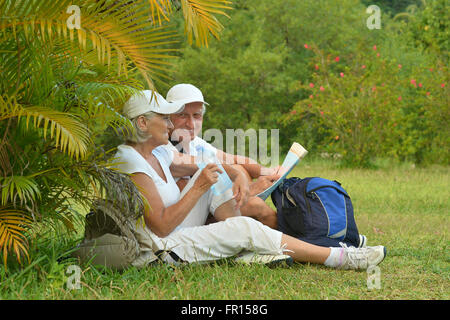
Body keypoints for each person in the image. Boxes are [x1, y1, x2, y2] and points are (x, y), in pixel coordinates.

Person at [112, 89, 387, 269]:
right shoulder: (130, 160)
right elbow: (160, 227)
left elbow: (207, 163)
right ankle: (337, 257)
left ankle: (253, 246)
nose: (172, 124)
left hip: (176, 229)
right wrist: (199, 187)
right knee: (244, 224)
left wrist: (237, 173)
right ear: (142, 124)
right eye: (166, 118)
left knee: (218, 183)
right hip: (157, 248)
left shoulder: (159, 151)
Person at [163, 83, 279, 228]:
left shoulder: (194, 142)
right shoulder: (163, 147)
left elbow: (234, 159)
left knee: (238, 167)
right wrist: (251, 189)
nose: (191, 124)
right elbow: (194, 205)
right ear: (167, 116)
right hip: (184, 224)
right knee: (257, 206)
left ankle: (284, 240)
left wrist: (267, 172)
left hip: (211, 211)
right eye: (182, 115)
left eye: (197, 116)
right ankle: (285, 246)